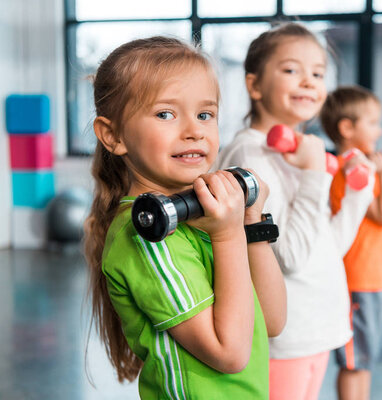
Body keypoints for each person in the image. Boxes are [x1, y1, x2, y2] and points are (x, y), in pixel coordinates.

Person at [84, 36, 286, 400]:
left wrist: (250, 222)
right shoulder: (146, 235)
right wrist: (227, 237)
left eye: (205, 114)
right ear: (112, 135)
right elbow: (230, 352)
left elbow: (271, 321)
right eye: (165, 114)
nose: (194, 130)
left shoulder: (207, 214)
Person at [216, 23, 375, 400]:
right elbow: (289, 255)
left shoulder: (302, 151)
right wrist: (315, 173)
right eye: (291, 70)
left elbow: (327, 247)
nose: (307, 81)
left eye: (318, 73)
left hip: (316, 328)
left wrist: (358, 195)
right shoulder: (249, 155)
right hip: (286, 336)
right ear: (254, 86)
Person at [320, 85, 382, 400]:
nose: (379, 129)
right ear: (346, 128)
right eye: (372, 122)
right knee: (353, 363)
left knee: (365, 362)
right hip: (359, 278)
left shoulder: (368, 166)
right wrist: (381, 173)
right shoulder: (350, 169)